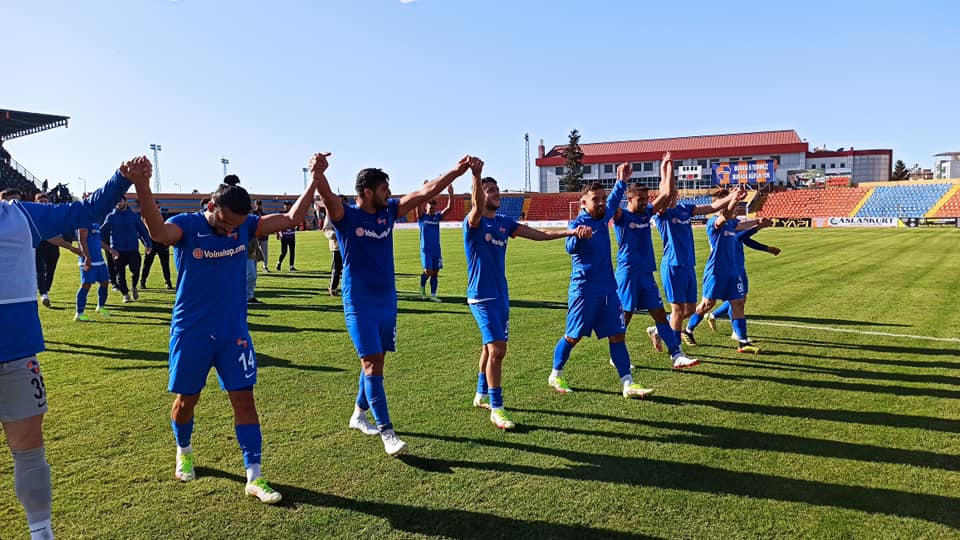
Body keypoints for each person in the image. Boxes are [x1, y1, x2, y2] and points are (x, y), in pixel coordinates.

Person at [136, 165, 321, 504]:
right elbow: (159, 233)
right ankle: (184, 451)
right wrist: (142, 185)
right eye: (225, 223)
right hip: (191, 332)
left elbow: (292, 218)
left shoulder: (244, 226)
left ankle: (254, 476)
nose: (230, 231)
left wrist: (315, 178)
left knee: (245, 401)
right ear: (211, 206)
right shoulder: (186, 225)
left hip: (233, 333)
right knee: (186, 402)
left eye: (236, 226)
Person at [0, 156, 150, 540]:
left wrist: (121, 179)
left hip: (15, 355)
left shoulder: (20, 215)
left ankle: (41, 532)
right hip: (17, 351)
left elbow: (86, 210)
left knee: (29, 449)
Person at [314, 152, 471, 456]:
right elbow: (328, 196)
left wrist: (455, 171)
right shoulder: (346, 217)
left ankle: (358, 415)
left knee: (377, 361)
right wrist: (318, 173)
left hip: (387, 302)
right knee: (371, 363)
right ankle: (387, 433)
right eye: (384, 188)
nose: (389, 192)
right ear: (367, 192)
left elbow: (424, 192)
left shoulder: (389, 212)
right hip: (359, 304)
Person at [464, 159, 591, 430]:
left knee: (489, 347)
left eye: (497, 190)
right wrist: (477, 175)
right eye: (490, 191)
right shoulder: (474, 222)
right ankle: (497, 409)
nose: (496, 194)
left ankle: (481, 394)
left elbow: (538, 233)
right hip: (481, 296)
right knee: (498, 350)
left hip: (501, 295)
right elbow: (475, 207)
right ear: (480, 196)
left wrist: (570, 232)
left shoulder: (504, 223)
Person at [547, 168, 655, 399]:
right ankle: (556, 374)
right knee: (573, 336)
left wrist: (621, 181)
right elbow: (569, 248)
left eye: (603, 199)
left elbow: (615, 200)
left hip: (608, 290)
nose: (601, 203)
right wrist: (577, 236)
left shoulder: (604, 217)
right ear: (583, 203)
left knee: (617, 335)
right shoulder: (578, 222)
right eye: (596, 199)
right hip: (584, 291)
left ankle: (628, 384)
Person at [652, 152, 744, 349]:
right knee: (678, 310)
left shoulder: (685, 208)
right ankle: (676, 351)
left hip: (688, 265)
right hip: (672, 265)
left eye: (675, 191)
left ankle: (658, 330)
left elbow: (712, 207)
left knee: (690, 309)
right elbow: (667, 189)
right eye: (670, 191)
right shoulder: (662, 213)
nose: (673, 193)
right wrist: (667, 165)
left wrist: (733, 196)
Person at [611, 168, 698, 369]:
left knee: (659, 314)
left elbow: (666, 194)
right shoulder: (621, 216)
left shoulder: (646, 214)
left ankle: (676, 354)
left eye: (646, 198)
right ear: (629, 199)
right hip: (628, 274)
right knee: (625, 317)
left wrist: (667, 167)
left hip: (646, 273)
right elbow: (611, 206)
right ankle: (616, 356)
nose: (644, 202)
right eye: (640, 199)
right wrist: (621, 181)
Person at [694, 217, 781, 349]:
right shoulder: (723, 224)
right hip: (728, 267)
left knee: (740, 300)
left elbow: (744, 239)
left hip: (739, 266)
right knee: (731, 300)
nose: (737, 208)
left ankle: (720, 320)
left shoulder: (734, 222)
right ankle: (692, 327)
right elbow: (741, 236)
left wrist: (766, 247)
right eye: (735, 206)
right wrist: (759, 227)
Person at [34, 193, 82, 307]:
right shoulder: (34, 216)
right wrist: (70, 247)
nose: (43, 204)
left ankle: (45, 290)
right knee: (40, 270)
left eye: (45, 202)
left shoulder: (53, 215)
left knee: (51, 270)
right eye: (40, 202)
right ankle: (43, 294)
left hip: (54, 247)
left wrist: (69, 237)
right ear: (35, 203)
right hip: (39, 246)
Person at [101, 196, 152, 303]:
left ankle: (134, 287)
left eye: (120, 200)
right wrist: (93, 234)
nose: (118, 203)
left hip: (132, 249)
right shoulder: (111, 217)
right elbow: (102, 232)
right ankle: (125, 294)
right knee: (120, 274)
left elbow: (143, 231)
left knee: (136, 270)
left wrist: (148, 244)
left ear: (125, 201)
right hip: (117, 250)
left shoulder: (134, 216)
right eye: (116, 201)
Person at [417, 185, 455, 301]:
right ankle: (422, 288)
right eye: (430, 209)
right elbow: (418, 204)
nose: (432, 210)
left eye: (434, 209)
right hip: (426, 249)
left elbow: (449, 208)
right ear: (426, 208)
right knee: (428, 271)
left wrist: (451, 194)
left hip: (436, 249)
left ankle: (433, 295)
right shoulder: (422, 217)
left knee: (435, 272)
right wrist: (423, 191)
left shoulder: (437, 217)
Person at [73, 220, 115, 322]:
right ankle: (79, 314)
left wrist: (110, 249)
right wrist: (87, 258)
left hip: (99, 260)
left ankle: (100, 307)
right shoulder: (83, 222)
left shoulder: (96, 223)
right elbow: (82, 241)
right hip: (88, 261)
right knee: (86, 285)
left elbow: (98, 241)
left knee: (105, 282)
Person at [140, 203, 174, 290]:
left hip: (162, 244)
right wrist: (146, 244)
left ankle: (168, 282)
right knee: (147, 264)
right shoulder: (146, 218)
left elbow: (169, 230)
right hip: (151, 244)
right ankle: (142, 282)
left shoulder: (165, 217)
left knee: (165, 265)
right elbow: (142, 233)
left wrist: (167, 242)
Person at [321, 200, 343, 296]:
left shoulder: (350, 213)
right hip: (337, 246)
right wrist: (337, 235)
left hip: (350, 245)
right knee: (337, 268)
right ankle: (333, 288)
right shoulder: (330, 214)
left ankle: (351, 288)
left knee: (351, 267)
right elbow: (326, 229)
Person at [275, 201, 297, 271]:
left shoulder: (293, 213)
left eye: (288, 205)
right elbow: (277, 224)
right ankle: (279, 262)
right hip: (284, 236)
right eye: (285, 205)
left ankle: (291, 266)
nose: (287, 206)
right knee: (284, 252)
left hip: (291, 235)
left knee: (292, 252)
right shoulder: (281, 214)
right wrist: (277, 233)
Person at [253, 199, 270, 273]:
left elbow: (267, 225)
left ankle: (265, 267)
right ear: (255, 205)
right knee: (254, 252)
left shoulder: (264, 214)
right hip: (255, 236)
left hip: (263, 236)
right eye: (257, 204)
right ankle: (254, 267)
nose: (258, 206)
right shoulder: (253, 214)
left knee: (265, 253)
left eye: (259, 204)